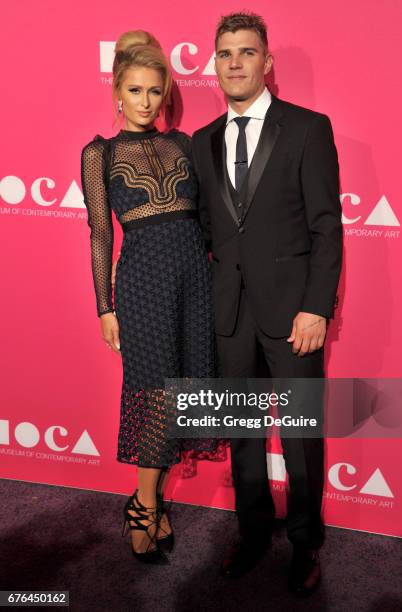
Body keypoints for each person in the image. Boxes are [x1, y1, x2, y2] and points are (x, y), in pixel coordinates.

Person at [191, 12, 343, 595]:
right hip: (230, 314)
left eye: (246, 52)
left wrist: (317, 306)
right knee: (244, 433)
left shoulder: (307, 128)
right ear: (215, 62)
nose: (234, 62)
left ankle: (306, 543)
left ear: (267, 62)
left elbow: (327, 227)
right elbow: (210, 227)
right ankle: (251, 532)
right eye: (225, 52)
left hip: (294, 313)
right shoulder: (204, 141)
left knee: (301, 434)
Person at [81, 30, 219, 565]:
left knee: (185, 393)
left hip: (194, 280)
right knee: (156, 396)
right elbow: (99, 233)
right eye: (135, 91)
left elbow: (207, 219)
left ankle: (150, 502)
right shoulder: (100, 152)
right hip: (142, 283)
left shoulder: (183, 143)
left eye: (154, 92)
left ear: (164, 95)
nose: (144, 102)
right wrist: (104, 306)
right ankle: (143, 503)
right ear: (117, 92)